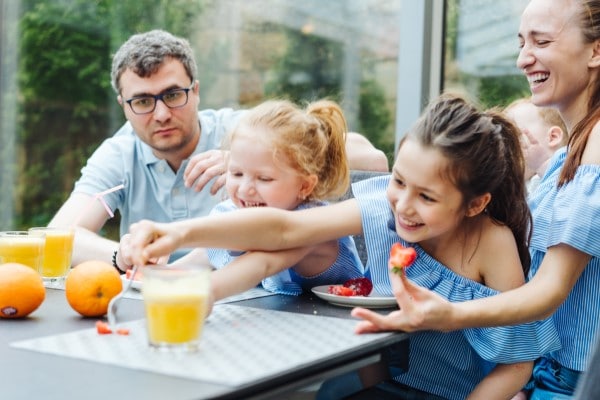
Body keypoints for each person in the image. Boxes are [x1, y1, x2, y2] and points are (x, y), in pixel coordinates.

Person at [127, 93, 560, 400]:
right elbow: (284, 230)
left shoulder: (492, 243)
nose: (404, 207)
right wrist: (181, 233)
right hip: (388, 383)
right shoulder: (382, 207)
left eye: (427, 197)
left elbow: (517, 365)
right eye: (399, 182)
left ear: (476, 203)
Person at [349, 0, 600, 398]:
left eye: (542, 41)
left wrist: (451, 314)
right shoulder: (570, 153)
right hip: (548, 376)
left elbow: (551, 289)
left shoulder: (596, 146)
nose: (523, 58)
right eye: (521, 43)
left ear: (596, 50)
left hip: (571, 382)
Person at [47, 29, 389, 270]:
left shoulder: (241, 133)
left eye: (173, 94)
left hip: (250, 299)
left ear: (195, 91)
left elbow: (372, 159)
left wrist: (244, 161)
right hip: (155, 295)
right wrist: (125, 255)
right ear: (124, 105)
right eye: (142, 101)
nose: (162, 113)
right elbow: (59, 237)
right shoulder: (120, 154)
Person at [189, 98, 364, 300]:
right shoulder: (232, 212)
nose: (245, 189)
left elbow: (261, 262)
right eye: (236, 174)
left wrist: (204, 293)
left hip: (344, 323)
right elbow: (208, 253)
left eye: (264, 178)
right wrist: (156, 270)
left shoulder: (313, 224)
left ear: (305, 186)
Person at [505, 97, 568, 195]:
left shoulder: (569, 173)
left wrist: (541, 164)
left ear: (553, 137)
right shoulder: (522, 186)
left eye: (515, 133)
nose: (507, 143)